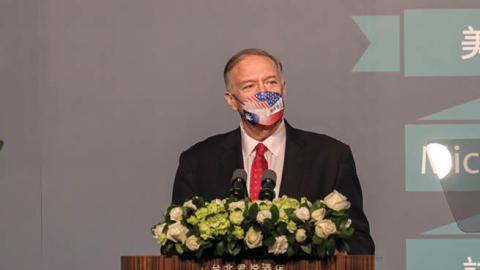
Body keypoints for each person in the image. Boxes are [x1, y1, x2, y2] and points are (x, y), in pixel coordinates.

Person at [171, 48, 375, 254]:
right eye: (249, 86)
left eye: (270, 82)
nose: (263, 93)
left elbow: (359, 244)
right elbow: (176, 245)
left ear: (283, 89)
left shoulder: (331, 157)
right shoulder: (197, 162)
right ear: (231, 100)